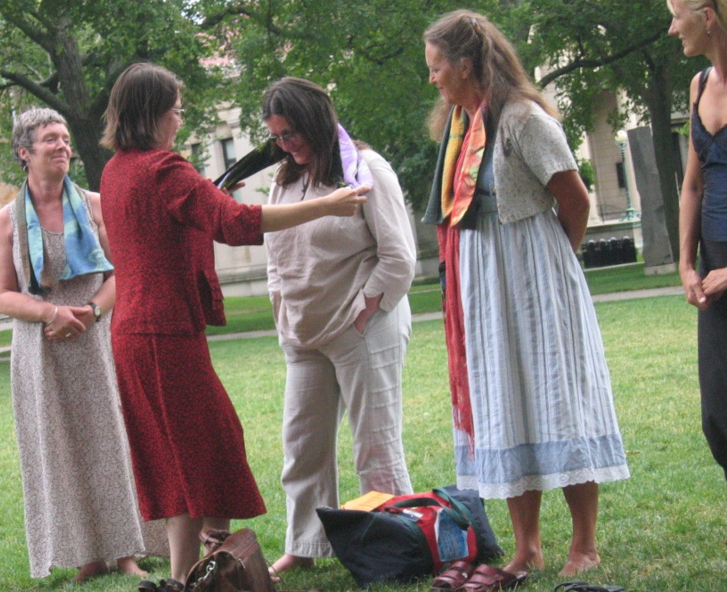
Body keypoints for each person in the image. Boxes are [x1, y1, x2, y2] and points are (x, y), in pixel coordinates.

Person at [98, 63, 368, 592]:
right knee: (203, 450)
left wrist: (212, 190)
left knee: (192, 454)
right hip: (163, 333)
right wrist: (326, 204)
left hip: (134, 332)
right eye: (175, 109)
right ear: (154, 112)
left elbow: (168, 223)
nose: (180, 118)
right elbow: (236, 225)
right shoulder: (162, 168)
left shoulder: (117, 169)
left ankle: (190, 574)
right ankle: (200, 575)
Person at [421, 10, 630, 589]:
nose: (433, 79)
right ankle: (527, 547)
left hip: (536, 277)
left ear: (466, 64)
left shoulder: (523, 121)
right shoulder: (460, 129)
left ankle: (583, 544)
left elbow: (575, 200)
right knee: (503, 401)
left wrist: (552, 264)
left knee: (555, 397)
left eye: (438, 67)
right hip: (483, 284)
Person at [0, 108, 165, 583]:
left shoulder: (95, 205)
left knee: (114, 438)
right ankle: (87, 554)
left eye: (65, 138)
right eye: (50, 139)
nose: (63, 146)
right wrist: (52, 312)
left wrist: (91, 312)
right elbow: (3, 293)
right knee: (61, 446)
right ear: (24, 152)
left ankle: (127, 551)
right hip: (40, 345)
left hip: (97, 335)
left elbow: (120, 272)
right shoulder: (6, 221)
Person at [261, 77, 417, 577]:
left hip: (361, 328)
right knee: (301, 445)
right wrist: (281, 305)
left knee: (374, 444)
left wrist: (367, 305)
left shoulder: (365, 170)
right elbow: (274, 252)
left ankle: (393, 546)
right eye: (277, 137)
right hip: (303, 334)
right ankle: (305, 545)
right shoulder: (284, 180)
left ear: (314, 120)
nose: (286, 144)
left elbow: (399, 255)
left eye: (291, 133)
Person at [669, 0, 727, 479]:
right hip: (715, 266)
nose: (672, 29)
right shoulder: (700, 85)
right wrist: (687, 264)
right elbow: (693, 184)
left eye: (676, 14)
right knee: (720, 415)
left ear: (708, 16)